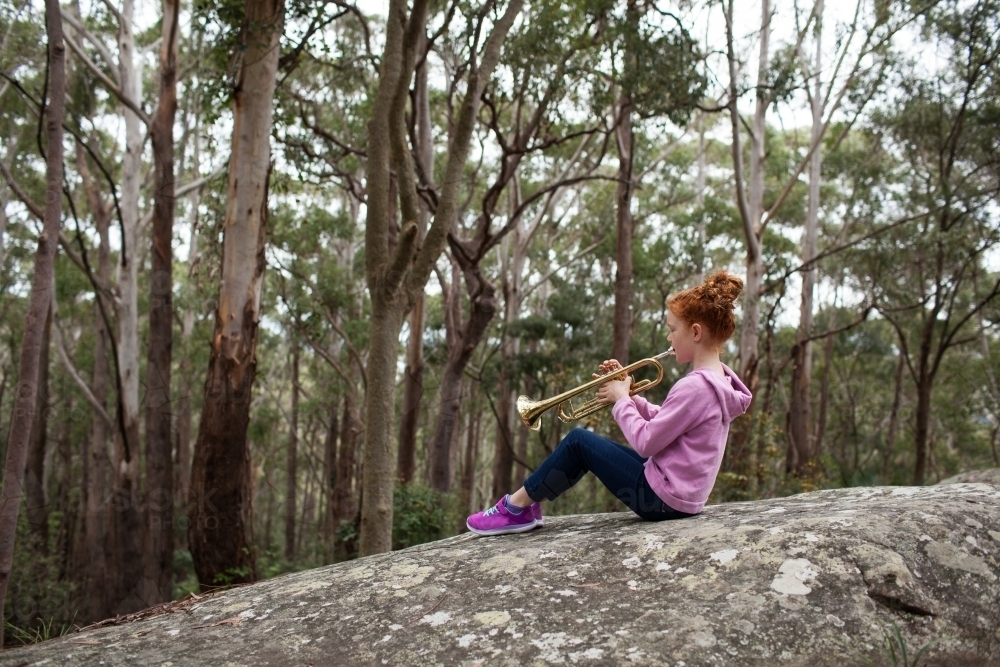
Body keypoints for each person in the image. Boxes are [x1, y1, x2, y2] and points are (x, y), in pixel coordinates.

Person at [466, 270, 752, 535]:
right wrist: (632, 397)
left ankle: (514, 508)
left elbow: (647, 442)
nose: (669, 337)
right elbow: (670, 422)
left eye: (673, 329)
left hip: (662, 500)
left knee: (579, 441)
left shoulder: (695, 386)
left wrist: (621, 401)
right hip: (679, 492)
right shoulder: (718, 381)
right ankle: (529, 503)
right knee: (584, 444)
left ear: (696, 332)